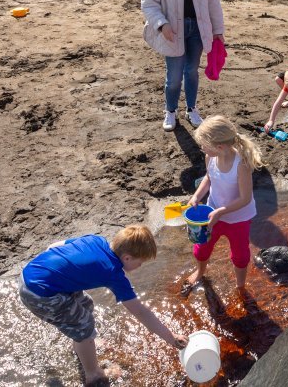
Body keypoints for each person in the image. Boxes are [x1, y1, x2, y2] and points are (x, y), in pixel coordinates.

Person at [18, 226, 187, 387]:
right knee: (84, 327)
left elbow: (53, 246)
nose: (139, 267)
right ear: (127, 258)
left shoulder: (96, 240)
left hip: (31, 272)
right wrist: (171, 337)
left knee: (86, 304)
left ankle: (81, 346)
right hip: (40, 294)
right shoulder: (113, 273)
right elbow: (141, 312)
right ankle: (93, 374)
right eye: (140, 263)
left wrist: (61, 272)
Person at [141, 0, 225, 130]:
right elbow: (148, 3)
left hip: (197, 29)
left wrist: (218, 30)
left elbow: (213, 2)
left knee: (191, 72)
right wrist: (162, 24)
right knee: (174, 76)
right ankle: (170, 111)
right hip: (173, 31)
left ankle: (191, 109)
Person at [185, 115, 264, 291]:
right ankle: (200, 272)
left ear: (219, 147)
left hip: (238, 218)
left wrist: (221, 212)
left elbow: (245, 198)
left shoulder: (241, 165)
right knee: (201, 248)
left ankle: (240, 286)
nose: (202, 148)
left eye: (204, 145)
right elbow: (208, 177)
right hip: (213, 212)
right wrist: (197, 196)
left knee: (241, 256)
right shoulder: (210, 157)